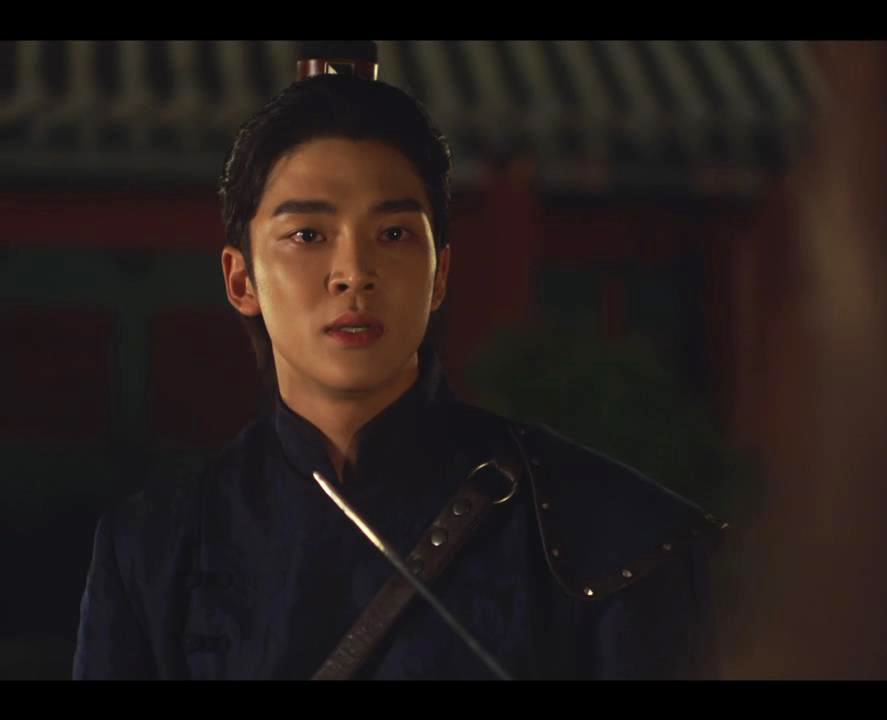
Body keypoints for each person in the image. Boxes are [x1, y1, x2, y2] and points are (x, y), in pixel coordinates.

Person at [71, 44, 725, 680]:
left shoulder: (608, 532)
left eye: (393, 234)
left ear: (440, 275)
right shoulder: (156, 547)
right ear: (241, 280)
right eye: (307, 234)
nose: (354, 272)